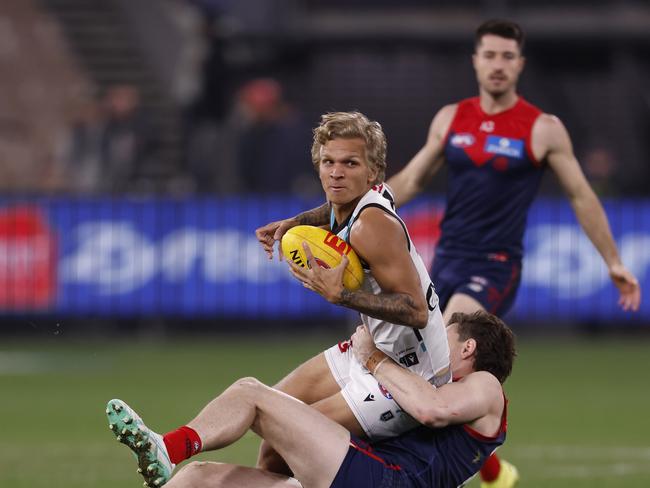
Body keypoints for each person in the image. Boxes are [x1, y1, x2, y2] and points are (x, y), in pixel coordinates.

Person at [260, 20, 642, 487]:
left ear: (519, 65)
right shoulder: (451, 118)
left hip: (496, 265)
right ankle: (485, 468)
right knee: (428, 358)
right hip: (449, 259)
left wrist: (614, 261)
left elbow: (581, 194)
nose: (497, 65)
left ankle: (430, 464)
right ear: (475, 61)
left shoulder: (542, 129)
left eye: (507, 57)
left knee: (440, 349)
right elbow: (407, 183)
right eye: (489, 55)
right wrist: (324, 218)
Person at [106, 311, 516, 488]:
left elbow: (431, 410)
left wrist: (372, 358)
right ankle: (172, 455)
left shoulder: (486, 386)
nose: (437, 341)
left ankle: (169, 446)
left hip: (381, 479)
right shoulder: (434, 383)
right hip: (359, 474)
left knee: (253, 394)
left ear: (469, 349)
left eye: (447, 333)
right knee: (198, 480)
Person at [253, 111, 451, 474]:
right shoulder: (360, 202)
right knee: (270, 420)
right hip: (373, 352)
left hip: (411, 377)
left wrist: (341, 296)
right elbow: (332, 209)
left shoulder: (372, 224)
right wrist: (294, 223)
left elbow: (416, 311)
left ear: (372, 172)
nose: (336, 172)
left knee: (286, 438)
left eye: (349, 163)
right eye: (328, 162)